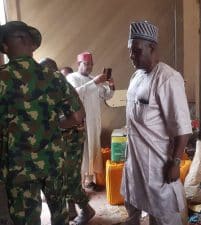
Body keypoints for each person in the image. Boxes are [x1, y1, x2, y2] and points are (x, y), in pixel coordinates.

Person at [0, 21, 85, 225]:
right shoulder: (53, 76)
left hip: (17, 168)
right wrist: (54, 127)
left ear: (6, 46)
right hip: (53, 163)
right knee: (59, 217)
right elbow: (77, 116)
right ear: (29, 44)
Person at [119, 21, 192, 225]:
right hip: (135, 158)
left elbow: (183, 128)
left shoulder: (168, 78)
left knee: (163, 211)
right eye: (130, 51)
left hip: (157, 161)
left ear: (152, 47)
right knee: (133, 196)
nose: (131, 55)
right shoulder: (136, 76)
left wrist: (175, 163)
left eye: (136, 50)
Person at [39, 58, 95, 224]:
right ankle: (71, 210)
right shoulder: (48, 88)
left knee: (70, 179)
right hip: (60, 140)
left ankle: (86, 209)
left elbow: (78, 116)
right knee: (62, 178)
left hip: (72, 140)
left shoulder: (63, 87)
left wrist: (51, 125)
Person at [66, 52, 115, 190]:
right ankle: (78, 186)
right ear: (78, 64)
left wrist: (111, 86)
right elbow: (75, 93)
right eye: (86, 64)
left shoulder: (95, 79)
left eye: (91, 64)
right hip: (80, 122)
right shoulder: (72, 78)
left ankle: (89, 181)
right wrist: (94, 82)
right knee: (82, 152)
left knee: (92, 150)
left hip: (94, 122)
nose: (89, 67)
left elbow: (107, 96)